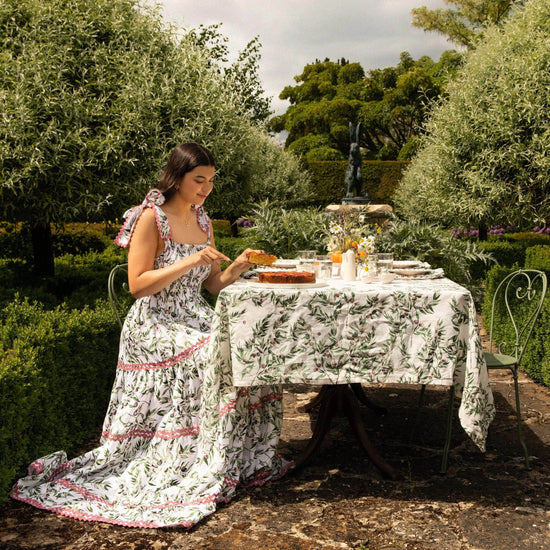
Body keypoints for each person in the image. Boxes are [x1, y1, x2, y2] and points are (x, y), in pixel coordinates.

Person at [11, 143, 291, 528]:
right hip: (154, 324)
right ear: (177, 177)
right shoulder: (150, 218)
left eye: (210, 181)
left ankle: (231, 457)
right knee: (212, 355)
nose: (206, 188)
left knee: (247, 350)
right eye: (199, 180)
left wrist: (239, 264)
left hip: (193, 315)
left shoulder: (203, 220)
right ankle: (188, 458)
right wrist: (190, 259)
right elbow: (137, 286)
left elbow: (212, 286)